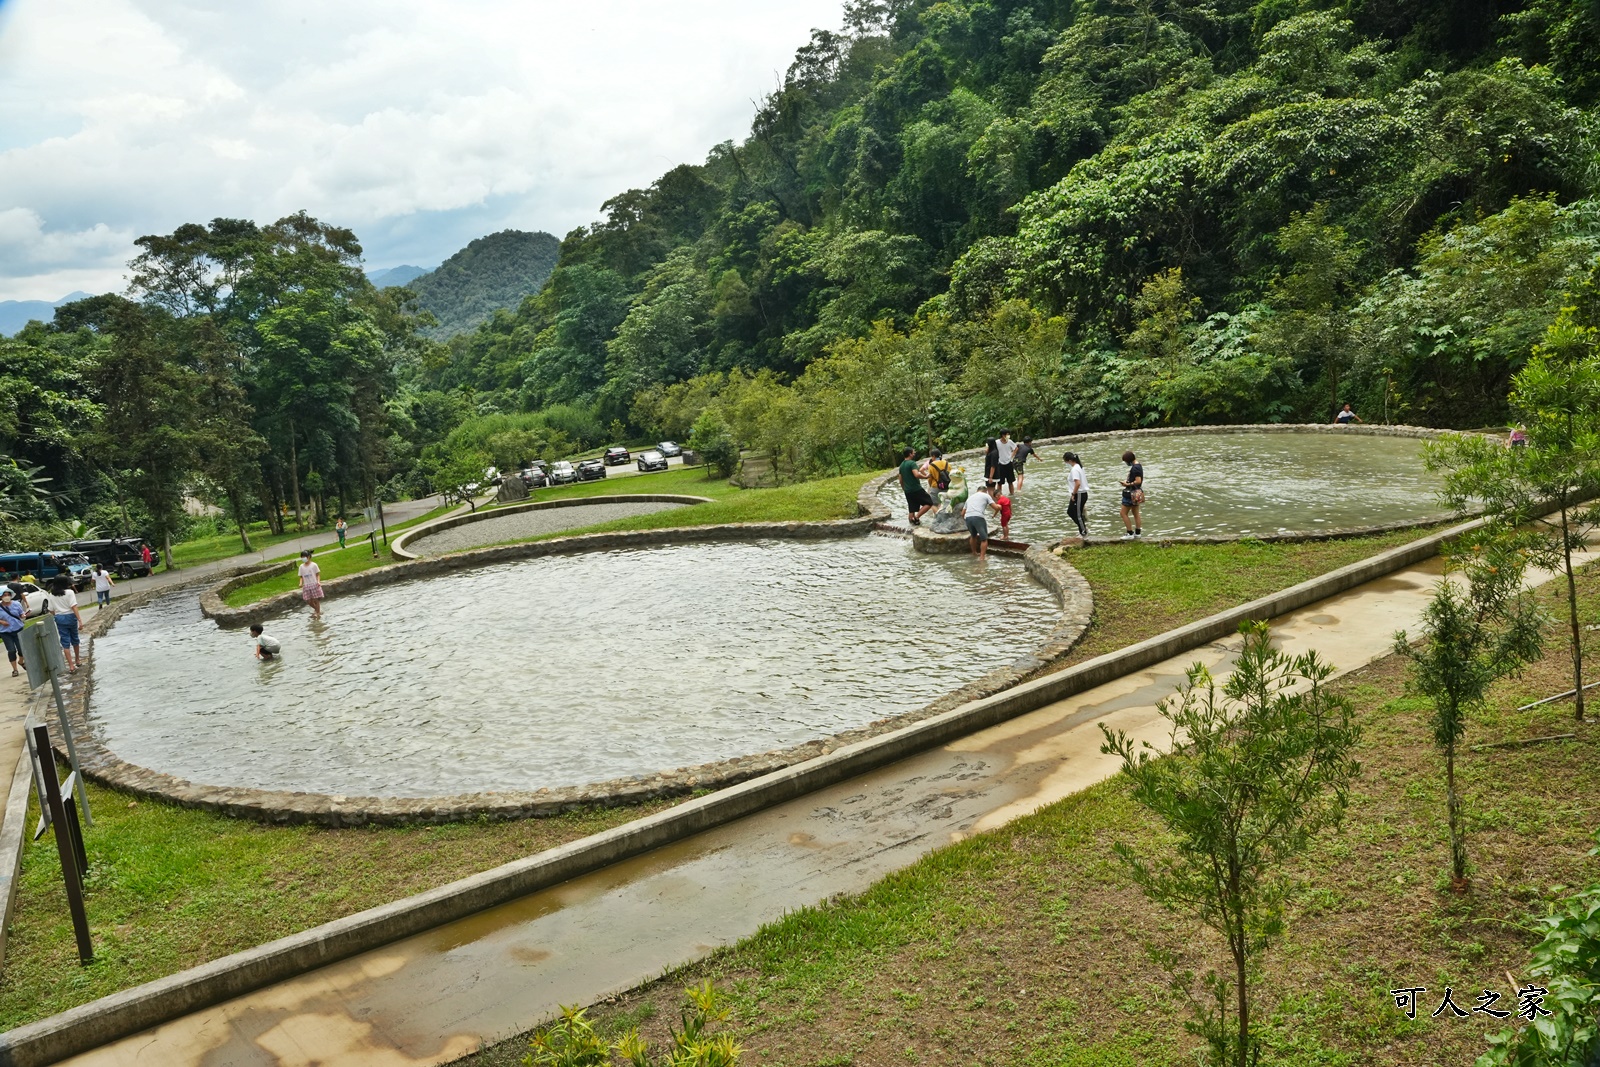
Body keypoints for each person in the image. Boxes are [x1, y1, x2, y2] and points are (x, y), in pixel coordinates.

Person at [44, 577, 83, 672]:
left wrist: (57, 615)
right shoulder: (69, 592)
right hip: (70, 617)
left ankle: (71, 665)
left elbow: (51, 610)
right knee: (75, 638)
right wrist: (80, 620)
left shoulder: (51, 594)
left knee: (65, 642)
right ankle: (77, 660)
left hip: (59, 618)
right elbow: (74, 607)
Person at [898, 447, 936, 526]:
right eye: (913, 453)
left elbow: (900, 480)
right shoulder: (912, 463)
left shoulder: (901, 465)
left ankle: (911, 526)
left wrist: (904, 489)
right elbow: (916, 474)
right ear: (910, 454)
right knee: (929, 502)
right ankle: (917, 517)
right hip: (916, 489)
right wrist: (926, 477)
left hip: (908, 491)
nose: (914, 454)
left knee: (912, 509)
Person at [964, 480, 998, 560]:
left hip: (968, 517)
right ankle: (982, 558)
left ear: (977, 491)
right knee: (984, 539)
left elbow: (962, 513)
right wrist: (999, 507)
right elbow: (995, 507)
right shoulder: (985, 496)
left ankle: (974, 552)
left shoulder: (970, 497)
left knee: (973, 536)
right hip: (978, 517)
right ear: (985, 491)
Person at [0, 588, 24, 678]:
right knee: (11, 650)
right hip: (5, 632)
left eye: (8, 594)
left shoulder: (16, 604)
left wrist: (23, 615)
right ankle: (15, 669)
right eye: (4, 595)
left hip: (18, 630)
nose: (6, 597)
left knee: (21, 649)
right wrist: (1, 622)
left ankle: (21, 661)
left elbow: (21, 613)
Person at [1119, 450, 1144, 540]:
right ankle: (1138, 533)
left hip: (1131, 493)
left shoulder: (1135, 468)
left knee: (1123, 513)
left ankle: (1130, 533)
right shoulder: (1138, 465)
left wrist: (1127, 484)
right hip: (1137, 492)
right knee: (1136, 513)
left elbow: (1138, 481)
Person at [1064, 452, 1089, 538]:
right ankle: (1082, 528)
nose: (1066, 464)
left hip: (1079, 494)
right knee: (1070, 512)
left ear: (1070, 461)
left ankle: (1083, 532)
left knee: (1077, 514)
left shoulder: (1075, 469)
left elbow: (1077, 483)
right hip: (1080, 494)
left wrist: (1073, 494)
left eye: (1066, 462)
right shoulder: (1079, 466)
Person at [297, 549, 325, 619]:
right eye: (302, 557)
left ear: (309, 557)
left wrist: (318, 581)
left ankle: (317, 613)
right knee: (308, 600)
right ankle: (317, 610)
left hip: (314, 584)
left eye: (304, 557)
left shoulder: (314, 565)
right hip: (306, 585)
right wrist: (300, 583)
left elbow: (318, 574)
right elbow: (301, 576)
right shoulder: (301, 567)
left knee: (316, 599)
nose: (303, 558)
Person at [993, 430, 1018, 495]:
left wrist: (1012, 456)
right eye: (1007, 434)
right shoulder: (997, 442)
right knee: (1000, 482)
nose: (1008, 436)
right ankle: (999, 495)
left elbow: (1016, 448)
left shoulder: (1010, 442)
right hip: (1000, 464)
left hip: (1009, 463)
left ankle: (1012, 494)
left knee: (1010, 481)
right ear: (1002, 435)